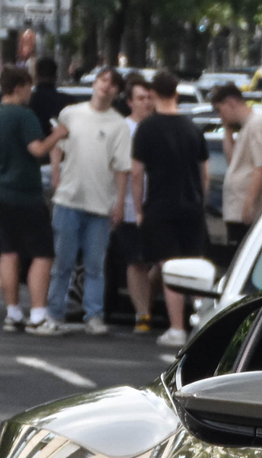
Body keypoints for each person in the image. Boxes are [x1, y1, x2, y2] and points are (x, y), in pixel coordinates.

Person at [46, 65, 132, 336]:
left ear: (117, 92)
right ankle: (54, 313)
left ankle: (94, 315)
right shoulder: (71, 114)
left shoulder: (118, 124)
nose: (106, 86)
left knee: (95, 265)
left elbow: (121, 168)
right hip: (69, 199)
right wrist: (56, 175)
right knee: (63, 262)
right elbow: (57, 146)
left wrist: (118, 202)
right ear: (95, 83)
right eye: (103, 80)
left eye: (113, 84)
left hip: (99, 204)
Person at [0, 64, 67, 335]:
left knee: (8, 252)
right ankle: (39, 315)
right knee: (42, 255)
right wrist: (58, 134)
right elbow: (37, 148)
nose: (30, 92)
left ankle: (13, 313)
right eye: (28, 87)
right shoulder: (24, 116)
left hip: (0, 194)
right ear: (18, 87)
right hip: (26, 195)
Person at [132, 70, 211, 350]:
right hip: (191, 206)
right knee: (194, 267)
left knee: (170, 268)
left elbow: (137, 172)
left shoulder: (147, 129)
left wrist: (139, 208)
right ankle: (202, 324)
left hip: (160, 206)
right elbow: (205, 174)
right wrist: (200, 201)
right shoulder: (192, 128)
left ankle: (177, 328)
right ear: (176, 93)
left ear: (153, 95)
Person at [210, 83, 262, 254]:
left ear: (230, 104)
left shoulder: (257, 124)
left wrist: (249, 203)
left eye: (220, 110)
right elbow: (233, 161)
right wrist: (227, 131)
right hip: (236, 212)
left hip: (247, 213)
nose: (220, 117)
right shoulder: (246, 126)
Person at [113, 76, 157, 335]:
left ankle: (146, 302)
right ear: (130, 102)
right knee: (136, 261)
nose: (146, 103)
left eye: (149, 97)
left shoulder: (157, 127)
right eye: (141, 98)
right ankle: (142, 314)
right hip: (130, 205)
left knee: (163, 262)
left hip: (158, 205)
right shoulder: (124, 129)